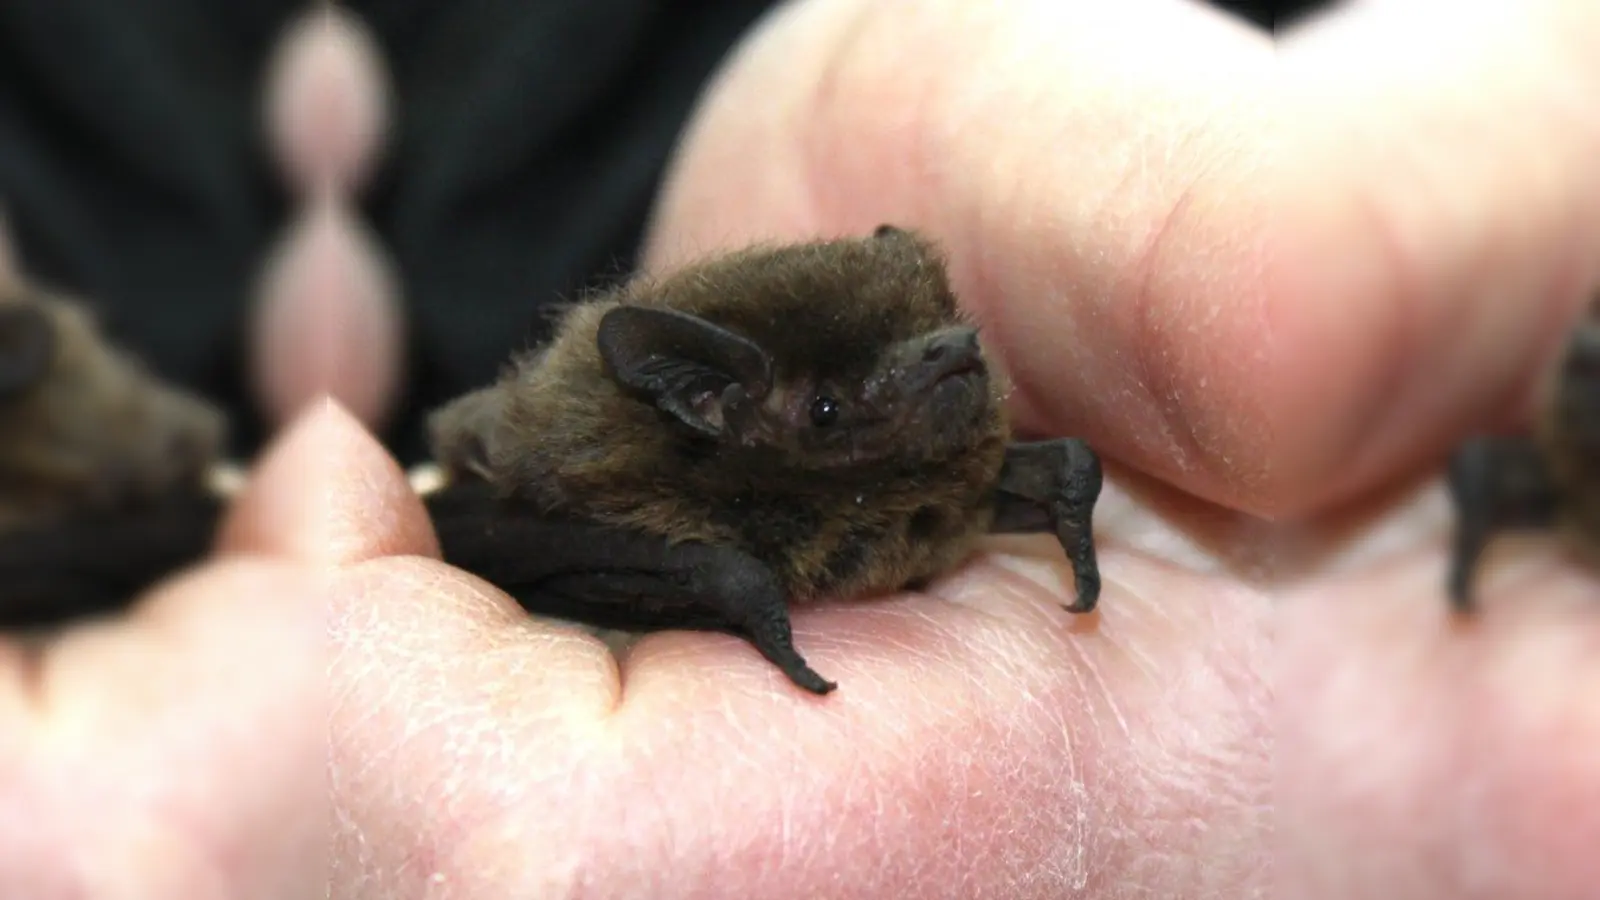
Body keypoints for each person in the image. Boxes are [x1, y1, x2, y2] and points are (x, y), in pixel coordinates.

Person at [2, 1, 1595, 897]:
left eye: (940, 348)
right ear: (716, 421)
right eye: (850, 402)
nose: (948, 382)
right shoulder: (623, 481)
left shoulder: (988, 444)